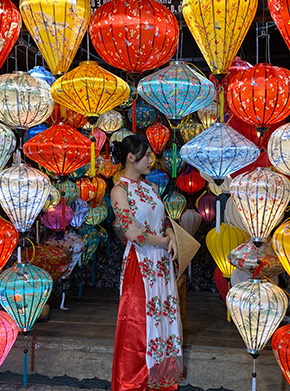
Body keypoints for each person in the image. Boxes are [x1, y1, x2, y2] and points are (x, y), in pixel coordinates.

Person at [110, 135, 183, 391]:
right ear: (131, 158)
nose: (152, 160)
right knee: (139, 321)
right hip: (140, 263)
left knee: (161, 317)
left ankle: (158, 377)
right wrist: (163, 242)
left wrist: (172, 236)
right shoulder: (120, 190)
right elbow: (132, 233)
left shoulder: (151, 188)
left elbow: (163, 222)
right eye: (148, 156)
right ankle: (132, 381)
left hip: (160, 261)